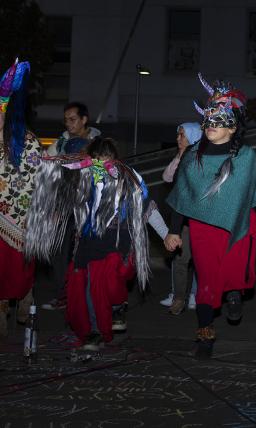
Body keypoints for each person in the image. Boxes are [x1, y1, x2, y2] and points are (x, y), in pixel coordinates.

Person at [164, 76, 256, 359]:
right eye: (207, 120)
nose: (210, 126)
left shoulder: (245, 157)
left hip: (237, 227)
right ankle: (205, 336)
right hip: (203, 230)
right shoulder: (193, 156)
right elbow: (182, 197)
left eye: (218, 121)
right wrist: (173, 231)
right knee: (206, 285)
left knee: (233, 278)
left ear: (232, 126)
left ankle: (234, 295)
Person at [25, 137, 166, 350]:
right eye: (97, 161)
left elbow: (148, 207)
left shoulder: (129, 178)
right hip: (90, 239)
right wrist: (55, 213)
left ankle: (118, 306)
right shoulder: (83, 176)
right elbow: (65, 196)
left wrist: (166, 235)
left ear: (114, 159)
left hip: (119, 239)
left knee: (111, 281)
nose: (102, 166)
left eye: (106, 160)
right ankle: (93, 332)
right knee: (88, 288)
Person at [41, 102, 101, 312]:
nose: (69, 124)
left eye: (73, 119)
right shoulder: (60, 143)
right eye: (66, 120)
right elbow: (46, 169)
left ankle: (83, 297)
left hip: (89, 205)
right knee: (59, 250)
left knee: (84, 253)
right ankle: (62, 294)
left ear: (84, 119)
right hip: (63, 204)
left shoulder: (98, 143)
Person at [0, 59, 40, 337]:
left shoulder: (28, 142)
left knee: (18, 271)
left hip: (20, 221)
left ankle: (26, 297)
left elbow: (38, 180)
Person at [160, 122, 202, 315]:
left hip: (202, 220)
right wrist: (179, 156)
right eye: (178, 135)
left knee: (202, 260)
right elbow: (168, 178)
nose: (178, 139)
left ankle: (198, 295)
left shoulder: (203, 156)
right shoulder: (182, 157)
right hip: (183, 219)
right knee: (181, 259)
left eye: (182, 135)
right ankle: (179, 298)